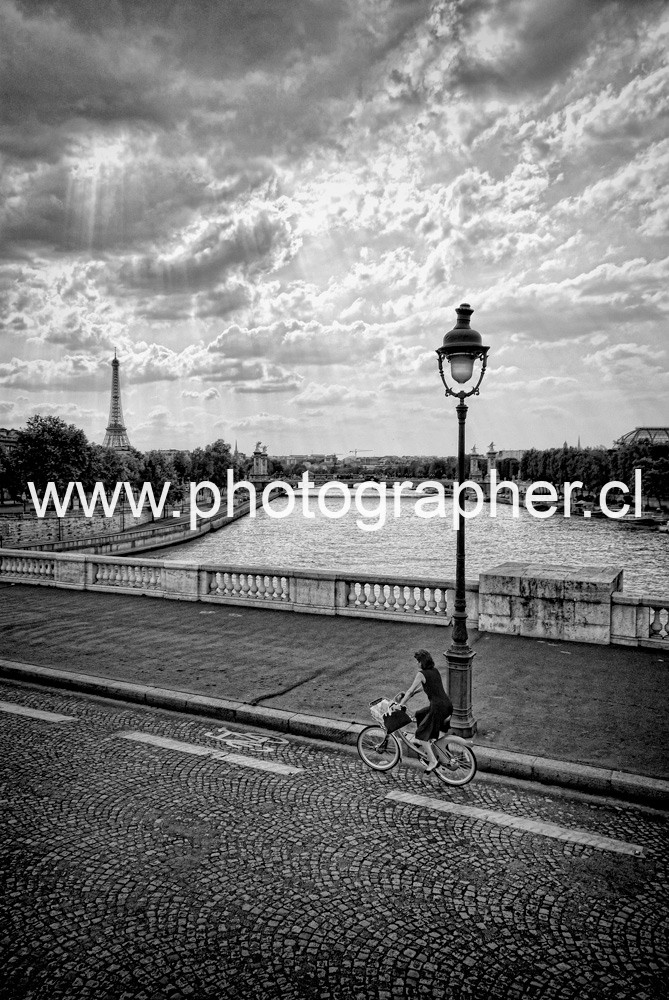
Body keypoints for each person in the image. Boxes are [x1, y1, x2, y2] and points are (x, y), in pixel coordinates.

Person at [396, 649, 453, 772]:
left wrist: (400, 705)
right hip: (447, 705)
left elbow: (410, 690)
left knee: (421, 734)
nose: (416, 663)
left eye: (418, 661)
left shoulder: (421, 674)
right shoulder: (434, 671)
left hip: (438, 708)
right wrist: (412, 694)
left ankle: (432, 761)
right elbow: (425, 686)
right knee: (419, 714)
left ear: (422, 662)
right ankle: (427, 743)